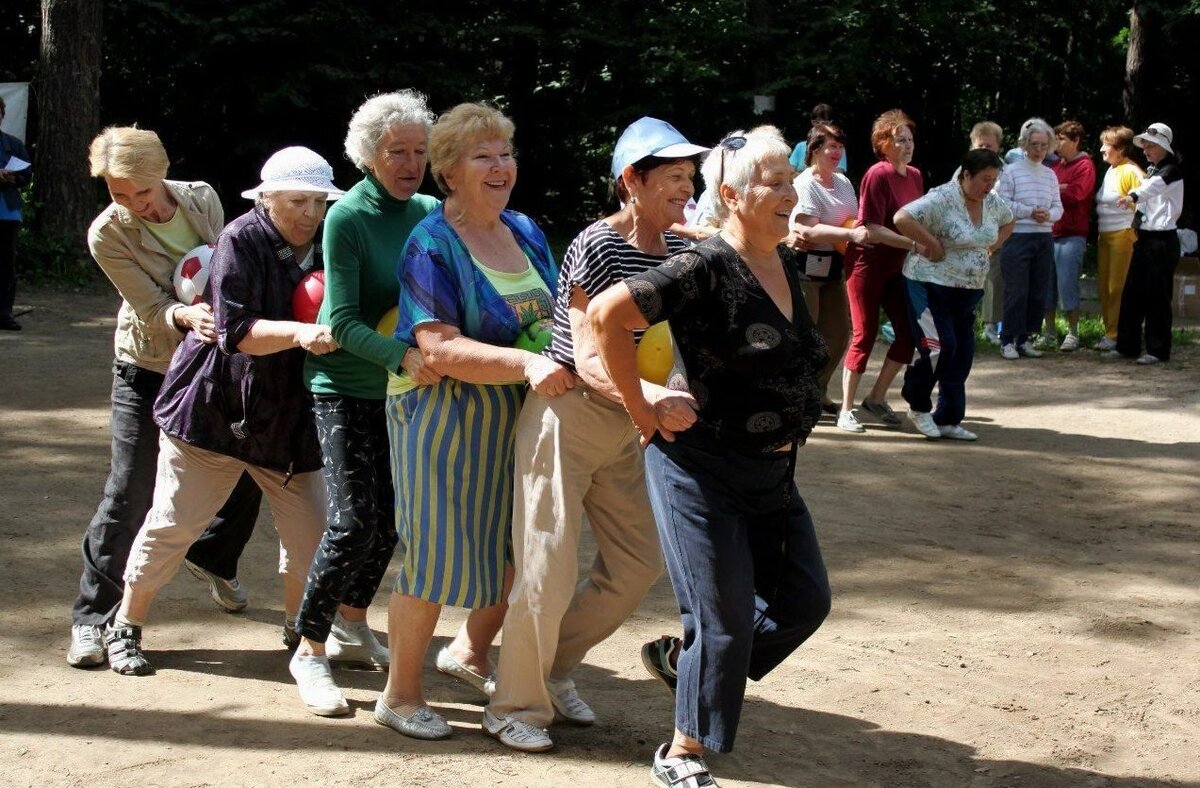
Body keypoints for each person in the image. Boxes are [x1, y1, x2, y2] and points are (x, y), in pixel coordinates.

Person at [589, 125, 832, 788]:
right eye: (772, 182)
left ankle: (684, 664)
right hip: (702, 469)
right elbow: (607, 317)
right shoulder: (703, 266)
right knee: (721, 622)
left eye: (791, 179)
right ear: (730, 194)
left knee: (804, 603)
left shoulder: (777, 258)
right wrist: (640, 407)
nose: (788, 192)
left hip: (775, 474)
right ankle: (681, 754)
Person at [485, 117, 706, 752]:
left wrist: (676, 389)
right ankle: (514, 706)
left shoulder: (685, 252)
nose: (684, 187)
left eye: (689, 177)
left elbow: (684, 339)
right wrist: (655, 400)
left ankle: (553, 670)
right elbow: (586, 356)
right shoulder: (597, 245)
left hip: (636, 423)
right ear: (629, 181)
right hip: (571, 414)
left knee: (638, 564)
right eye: (670, 176)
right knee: (546, 567)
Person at [108, 147, 341, 689]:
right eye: (296, 201)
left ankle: (297, 630)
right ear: (267, 199)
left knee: (311, 537)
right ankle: (127, 623)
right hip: (214, 409)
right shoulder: (241, 237)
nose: (309, 213)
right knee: (173, 524)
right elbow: (236, 331)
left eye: (318, 202)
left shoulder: (330, 241)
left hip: (288, 421)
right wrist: (303, 333)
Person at [376, 103, 575, 741]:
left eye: (506, 153)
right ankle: (399, 695)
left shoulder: (526, 229)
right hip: (440, 414)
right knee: (434, 556)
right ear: (450, 172)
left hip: (517, 414)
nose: (500, 166)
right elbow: (434, 345)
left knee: (517, 551)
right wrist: (525, 359)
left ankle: (469, 653)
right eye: (482, 156)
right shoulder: (431, 241)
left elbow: (561, 314)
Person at [69, 127, 261, 671]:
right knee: (131, 488)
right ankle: (92, 619)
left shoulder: (201, 197)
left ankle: (212, 554)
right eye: (119, 194)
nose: (135, 206)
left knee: (248, 463)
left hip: (211, 359)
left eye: (143, 192)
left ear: (164, 171)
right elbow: (151, 308)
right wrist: (184, 315)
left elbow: (231, 265)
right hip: (148, 364)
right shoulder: (107, 233)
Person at [290, 91, 442, 714]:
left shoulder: (432, 210)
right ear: (369, 157)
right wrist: (403, 357)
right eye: (396, 152)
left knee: (393, 522)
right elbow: (343, 321)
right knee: (354, 521)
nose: (410, 163)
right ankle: (308, 650)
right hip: (347, 389)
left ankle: (352, 622)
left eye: (419, 151)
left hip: (405, 395)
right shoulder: (345, 217)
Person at [894, 149, 1015, 441]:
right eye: (984, 179)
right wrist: (931, 243)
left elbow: (1010, 220)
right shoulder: (942, 198)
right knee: (939, 348)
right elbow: (902, 217)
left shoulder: (992, 202)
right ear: (965, 175)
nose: (989, 186)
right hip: (929, 285)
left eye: (994, 180)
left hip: (968, 291)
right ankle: (918, 405)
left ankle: (948, 418)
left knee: (961, 356)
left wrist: (993, 245)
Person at [839, 109, 927, 434]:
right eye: (900, 139)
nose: (907, 145)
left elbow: (917, 219)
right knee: (865, 334)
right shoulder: (877, 174)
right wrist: (913, 245)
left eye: (910, 139)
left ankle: (876, 398)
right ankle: (846, 410)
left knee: (907, 333)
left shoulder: (915, 176)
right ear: (884, 144)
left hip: (897, 266)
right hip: (866, 264)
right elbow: (872, 228)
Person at [789, 122, 870, 413]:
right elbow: (808, 230)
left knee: (838, 333)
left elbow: (854, 219)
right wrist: (850, 235)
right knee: (806, 335)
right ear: (814, 149)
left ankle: (818, 392)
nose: (837, 151)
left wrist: (852, 234)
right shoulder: (804, 183)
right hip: (804, 269)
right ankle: (798, 398)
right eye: (831, 145)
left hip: (836, 266)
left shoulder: (844, 182)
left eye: (839, 145)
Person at [1105, 123, 1184, 364]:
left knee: (1158, 297)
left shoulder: (1171, 170)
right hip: (1145, 238)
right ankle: (1127, 346)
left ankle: (1157, 350)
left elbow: (1151, 189)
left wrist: (1133, 196)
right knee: (1133, 292)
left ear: (1164, 147)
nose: (1146, 150)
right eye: (1146, 146)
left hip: (1162, 241)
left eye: (1152, 146)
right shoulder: (1153, 169)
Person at [995, 117, 1062, 360]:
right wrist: (1029, 211)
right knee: (1017, 290)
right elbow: (1002, 203)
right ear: (1025, 144)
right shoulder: (1011, 171)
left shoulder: (1050, 175)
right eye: (1035, 145)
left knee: (1037, 290)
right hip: (1017, 235)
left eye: (1044, 146)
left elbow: (1058, 207)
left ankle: (1026, 338)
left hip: (1043, 237)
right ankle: (1008, 339)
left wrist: (1049, 215)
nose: (1039, 150)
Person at [1042, 121, 1096, 352]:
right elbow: (1045, 192)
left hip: (1072, 236)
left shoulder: (1085, 166)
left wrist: (1058, 189)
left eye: (1061, 139)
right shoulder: (1055, 167)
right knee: (1047, 288)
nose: (1056, 144)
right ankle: (1049, 332)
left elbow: (1076, 195)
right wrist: (1060, 187)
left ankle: (1073, 334)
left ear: (1075, 141)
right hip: (1049, 233)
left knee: (1067, 285)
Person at [1093, 126, 1144, 350]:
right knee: (1105, 287)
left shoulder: (1131, 170)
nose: (1102, 149)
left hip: (1123, 235)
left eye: (1108, 145)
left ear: (1121, 148)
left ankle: (1117, 335)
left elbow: (1145, 201)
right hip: (1105, 236)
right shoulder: (1111, 170)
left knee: (1118, 287)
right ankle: (1109, 333)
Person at [969, 121, 1007, 346]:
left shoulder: (1006, 170)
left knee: (993, 279)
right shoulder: (964, 170)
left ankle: (991, 326)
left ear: (998, 148)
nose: (985, 150)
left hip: (994, 232)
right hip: (968, 233)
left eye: (990, 146)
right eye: (981, 145)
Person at [0, 96, 32, 331]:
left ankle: (4, 314)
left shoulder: (13, 143)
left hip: (8, 213)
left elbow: (26, 175)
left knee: (5, 266)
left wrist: (14, 177)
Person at [789, 103, 848, 174]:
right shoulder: (800, 146)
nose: (820, 125)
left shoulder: (838, 148)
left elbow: (838, 174)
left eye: (824, 122)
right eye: (816, 122)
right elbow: (789, 172)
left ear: (831, 123)